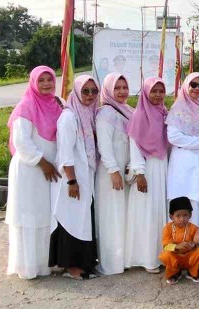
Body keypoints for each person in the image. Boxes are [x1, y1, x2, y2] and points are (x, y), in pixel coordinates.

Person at [5, 66, 63, 279]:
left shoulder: (57, 104)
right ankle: (27, 267)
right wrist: (43, 162)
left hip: (47, 172)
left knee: (44, 215)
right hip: (30, 170)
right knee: (29, 216)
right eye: (42, 80)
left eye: (50, 79)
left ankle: (42, 265)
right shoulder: (26, 106)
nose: (47, 84)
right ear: (33, 83)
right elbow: (21, 141)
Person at [49, 75, 100, 280]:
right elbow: (65, 152)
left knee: (83, 219)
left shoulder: (89, 113)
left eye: (93, 91)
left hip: (85, 175)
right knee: (70, 219)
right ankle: (71, 266)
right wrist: (71, 181)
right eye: (85, 91)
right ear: (77, 92)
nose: (89, 95)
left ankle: (84, 262)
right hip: (72, 177)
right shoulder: (69, 117)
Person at [125, 77, 169, 273]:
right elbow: (134, 146)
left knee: (160, 211)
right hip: (147, 169)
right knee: (147, 213)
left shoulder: (163, 112)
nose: (158, 95)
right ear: (145, 92)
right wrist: (140, 173)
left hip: (162, 166)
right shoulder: (139, 115)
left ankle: (161, 255)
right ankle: (147, 258)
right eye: (154, 91)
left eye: (161, 91)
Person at [95, 73, 134, 275]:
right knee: (112, 215)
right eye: (117, 88)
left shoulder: (128, 110)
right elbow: (104, 145)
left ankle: (124, 257)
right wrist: (113, 171)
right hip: (111, 172)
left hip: (125, 169)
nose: (121, 92)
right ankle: (111, 261)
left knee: (124, 214)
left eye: (124, 87)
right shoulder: (105, 113)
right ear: (109, 90)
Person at [167, 72, 199, 226]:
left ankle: (198, 244)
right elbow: (174, 137)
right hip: (183, 161)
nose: (197, 88)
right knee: (184, 201)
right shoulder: (178, 107)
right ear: (186, 85)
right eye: (193, 85)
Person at [159, 197, 199, 284]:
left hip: (189, 256)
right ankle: (175, 273)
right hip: (175, 257)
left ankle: (192, 272)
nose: (182, 219)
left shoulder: (193, 228)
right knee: (165, 255)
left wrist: (193, 244)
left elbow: (198, 243)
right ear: (171, 217)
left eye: (185, 215)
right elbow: (165, 245)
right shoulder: (168, 228)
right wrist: (176, 246)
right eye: (178, 216)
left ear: (190, 215)